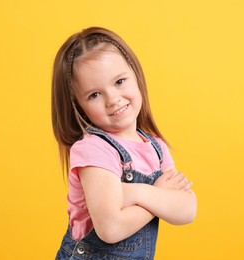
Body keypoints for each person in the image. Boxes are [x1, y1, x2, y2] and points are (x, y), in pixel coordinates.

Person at [52, 26, 197, 259]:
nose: (113, 99)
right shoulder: (94, 149)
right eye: (94, 95)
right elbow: (111, 228)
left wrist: (136, 193)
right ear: (78, 106)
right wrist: (158, 194)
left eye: (119, 81)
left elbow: (187, 209)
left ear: (135, 74)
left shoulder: (156, 148)